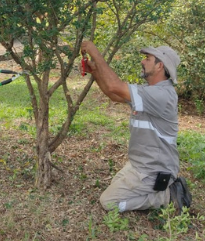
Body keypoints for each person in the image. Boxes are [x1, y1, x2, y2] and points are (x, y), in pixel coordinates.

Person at [80, 41, 191, 213]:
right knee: (115, 187)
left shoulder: (161, 95)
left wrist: (94, 52)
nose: (142, 61)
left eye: (148, 59)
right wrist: (95, 71)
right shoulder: (150, 91)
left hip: (153, 170)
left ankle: (167, 196)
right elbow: (113, 94)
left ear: (160, 66)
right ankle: (157, 191)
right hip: (139, 165)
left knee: (109, 202)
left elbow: (114, 86)